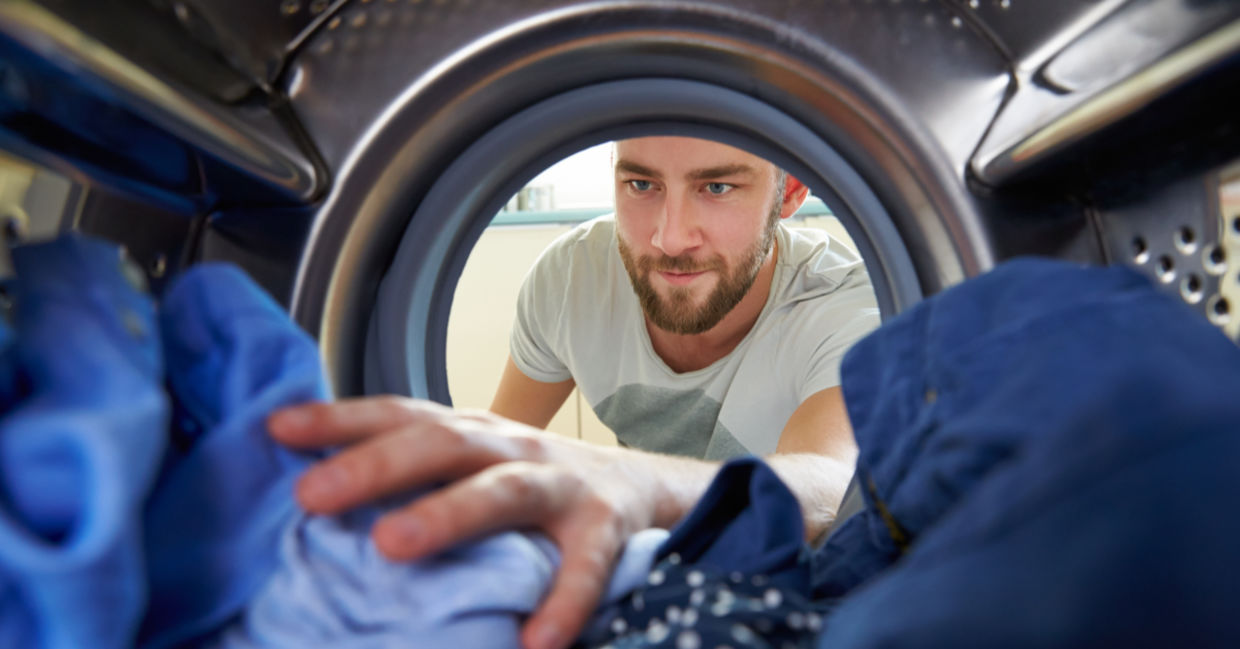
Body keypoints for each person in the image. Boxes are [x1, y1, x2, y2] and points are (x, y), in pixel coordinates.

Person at [267, 136, 879, 649]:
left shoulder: (840, 306)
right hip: (633, 569)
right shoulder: (571, 278)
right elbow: (507, 446)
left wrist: (630, 480)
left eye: (716, 187)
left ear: (790, 192)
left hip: (775, 575)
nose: (669, 238)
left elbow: (829, 486)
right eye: (641, 185)